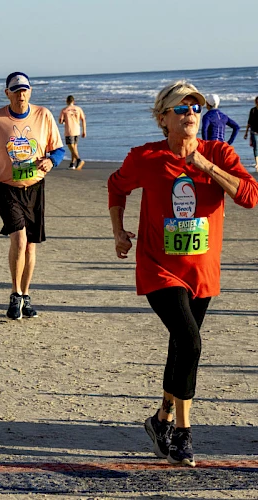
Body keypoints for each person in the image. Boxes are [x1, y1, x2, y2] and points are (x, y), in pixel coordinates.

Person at [108, 80, 258, 467]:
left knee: (181, 344)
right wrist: (119, 231)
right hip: (158, 267)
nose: (191, 113)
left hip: (202, 271)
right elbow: (117, 185)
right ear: (163, 118)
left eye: (196, 108)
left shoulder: (219, 152)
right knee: (190, 343)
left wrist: (206, 167)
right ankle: (183, 434)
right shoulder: (146, 157)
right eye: (181, 108)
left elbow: (250, 196)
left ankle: (160, 419)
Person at [0, 71, 65, 320]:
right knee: (19, 240)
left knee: (31, 248)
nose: (21, 94)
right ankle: (15, 295)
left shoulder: (43, 115)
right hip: (5, 186)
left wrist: (51, 161)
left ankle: (25, 296)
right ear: (7, 93)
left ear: (30, 92)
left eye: (25, 89)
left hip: (35, 187)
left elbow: (58, 149)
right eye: (16, 90)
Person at [59, 95, 86, 169]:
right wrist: (84, 130)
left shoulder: (64, 110)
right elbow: (83, 119)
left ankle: (78, 159)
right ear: (73, 101)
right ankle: (72, 164)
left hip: (69, 130)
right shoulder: (78, 109)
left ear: (67, 101)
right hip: (77, 130)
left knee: (71, 147)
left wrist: (64, 120)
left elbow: (60, 121)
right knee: (74, 147)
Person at [243, 96, 258, 170]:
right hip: (253, 131)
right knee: (255, 147)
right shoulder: (252, 110)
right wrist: (246, 133)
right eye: (256, 102)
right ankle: (257, 163)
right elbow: (249, 122)